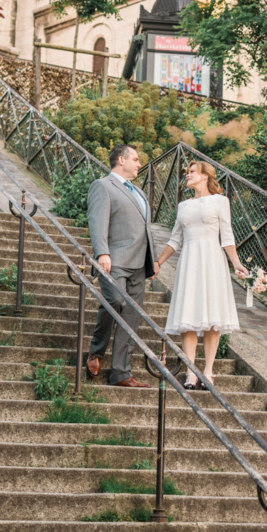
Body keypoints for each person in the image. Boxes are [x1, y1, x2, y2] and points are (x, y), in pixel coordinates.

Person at [155, 161, 247, 388]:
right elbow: (175, 240)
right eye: (187, 173)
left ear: (206, 176)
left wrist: (236, 263)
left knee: (211, 317)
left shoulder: (220, 201)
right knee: (188, 318)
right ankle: (191, 372)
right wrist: (157, 262)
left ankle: (208, 371)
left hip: (212, 261)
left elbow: (227, 236)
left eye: (192, 172)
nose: (187, 175)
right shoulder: (183, 206)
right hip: (189, 262)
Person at [86, 143, 158, 388]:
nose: (139, 164)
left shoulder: (139, 193)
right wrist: (102, 252)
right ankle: (96, 351)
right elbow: (97, 221)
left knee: (131, 317)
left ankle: (120, 373)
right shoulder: (103, 186)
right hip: (114, 260)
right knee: (115, 301)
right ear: (121, 160)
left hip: (139, 264)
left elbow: (147, 229)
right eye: (136, 159)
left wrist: (154, 258)